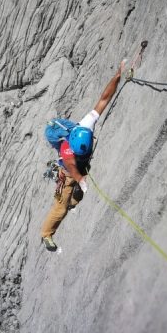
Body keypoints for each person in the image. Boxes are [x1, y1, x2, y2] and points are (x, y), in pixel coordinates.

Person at [41, 60, 127, 251]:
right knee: (60, 208)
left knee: (76, 198)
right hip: (68, 173)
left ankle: (74, 200)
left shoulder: (85, 126)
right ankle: (46, 235)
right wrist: (81, 180)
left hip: (78, 169)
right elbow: (71, 167)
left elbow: (103, 99)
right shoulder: (66, 148)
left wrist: (117, 76)